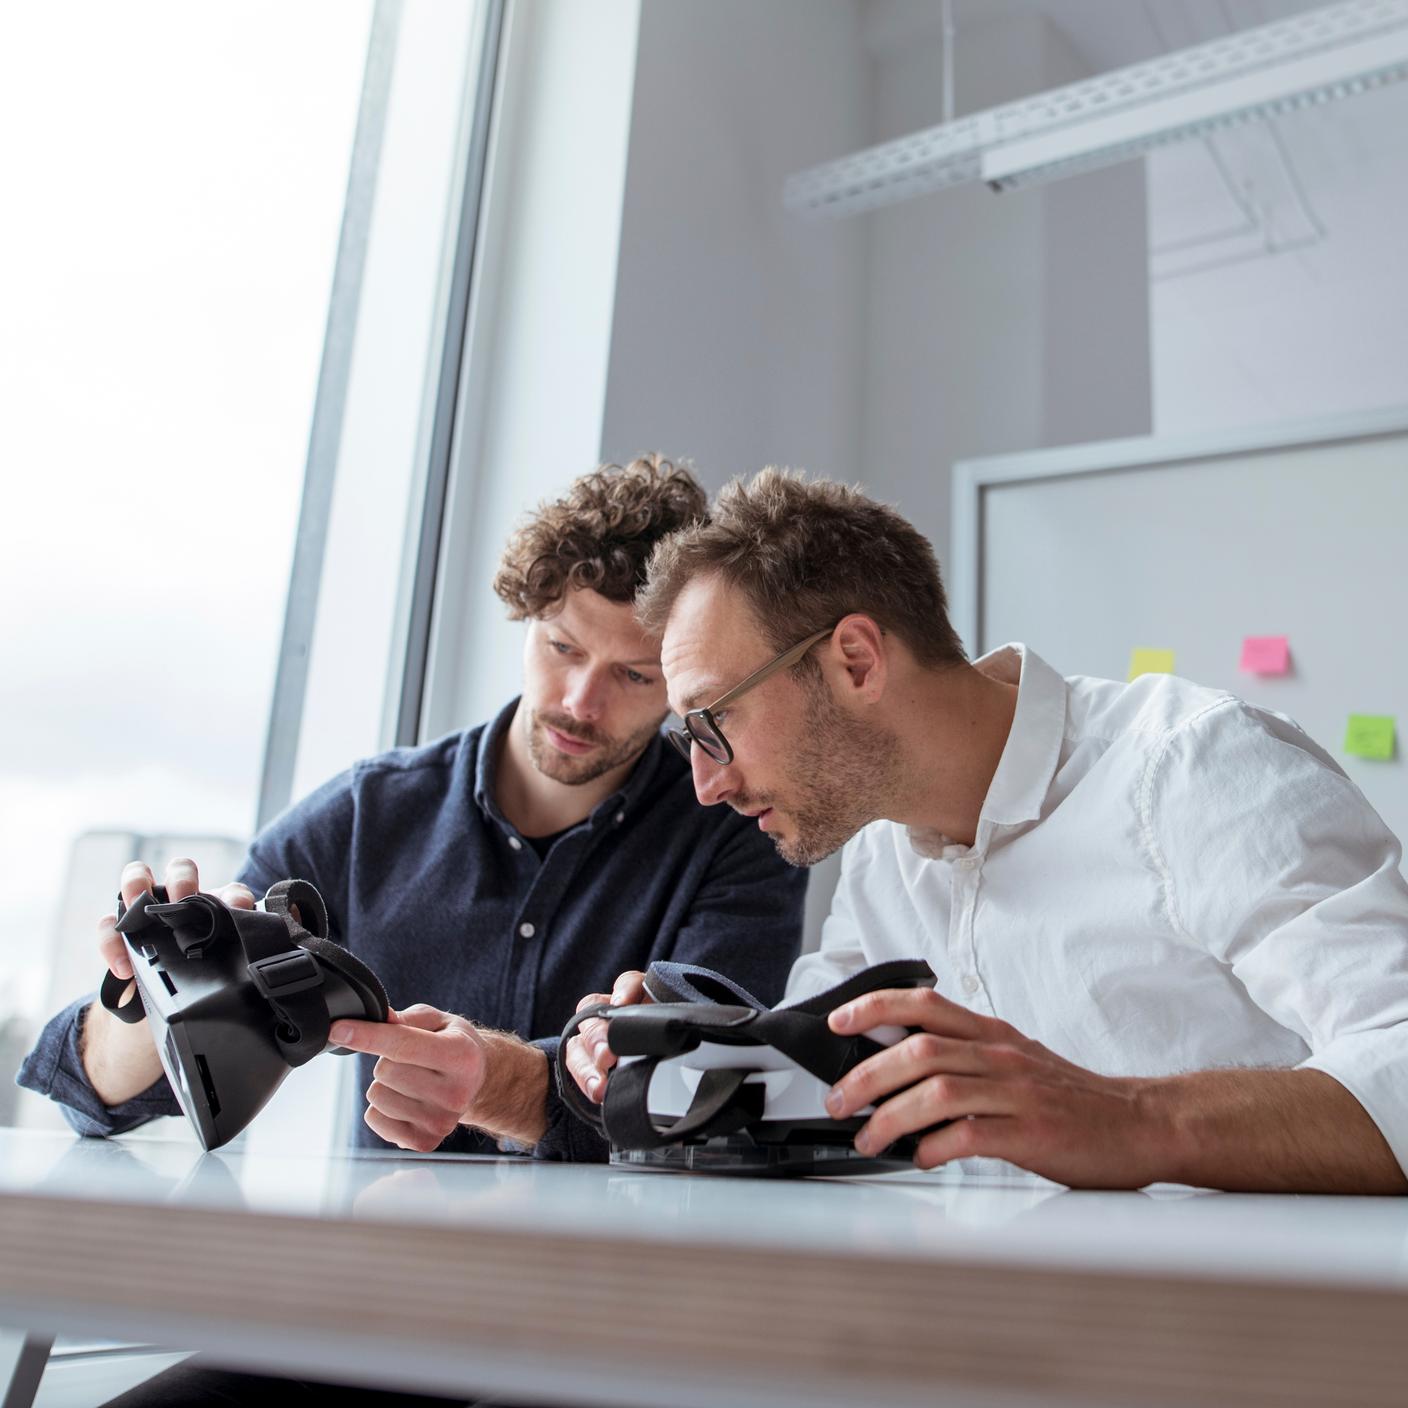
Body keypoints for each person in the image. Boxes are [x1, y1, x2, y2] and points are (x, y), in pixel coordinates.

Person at [568, 468, 1408, 1194]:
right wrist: (674, 1052)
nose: (706, 785)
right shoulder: (880, 851)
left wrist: (1132, 1118)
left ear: (856, 660)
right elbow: (822, 1089)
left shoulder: (1197, 768)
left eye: (716, 722)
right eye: (689, 742)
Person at [19, 456, 806, 1166]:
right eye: (562, 648)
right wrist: (154, 990)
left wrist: (502, 1085)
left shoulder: (736, 830)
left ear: (681, 679)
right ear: (527, 614)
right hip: (382, 1290)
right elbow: (96, 1097)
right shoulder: (372, 815)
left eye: (634, 676)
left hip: (615, 1298)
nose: (578, 702)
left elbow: (710, 1106)